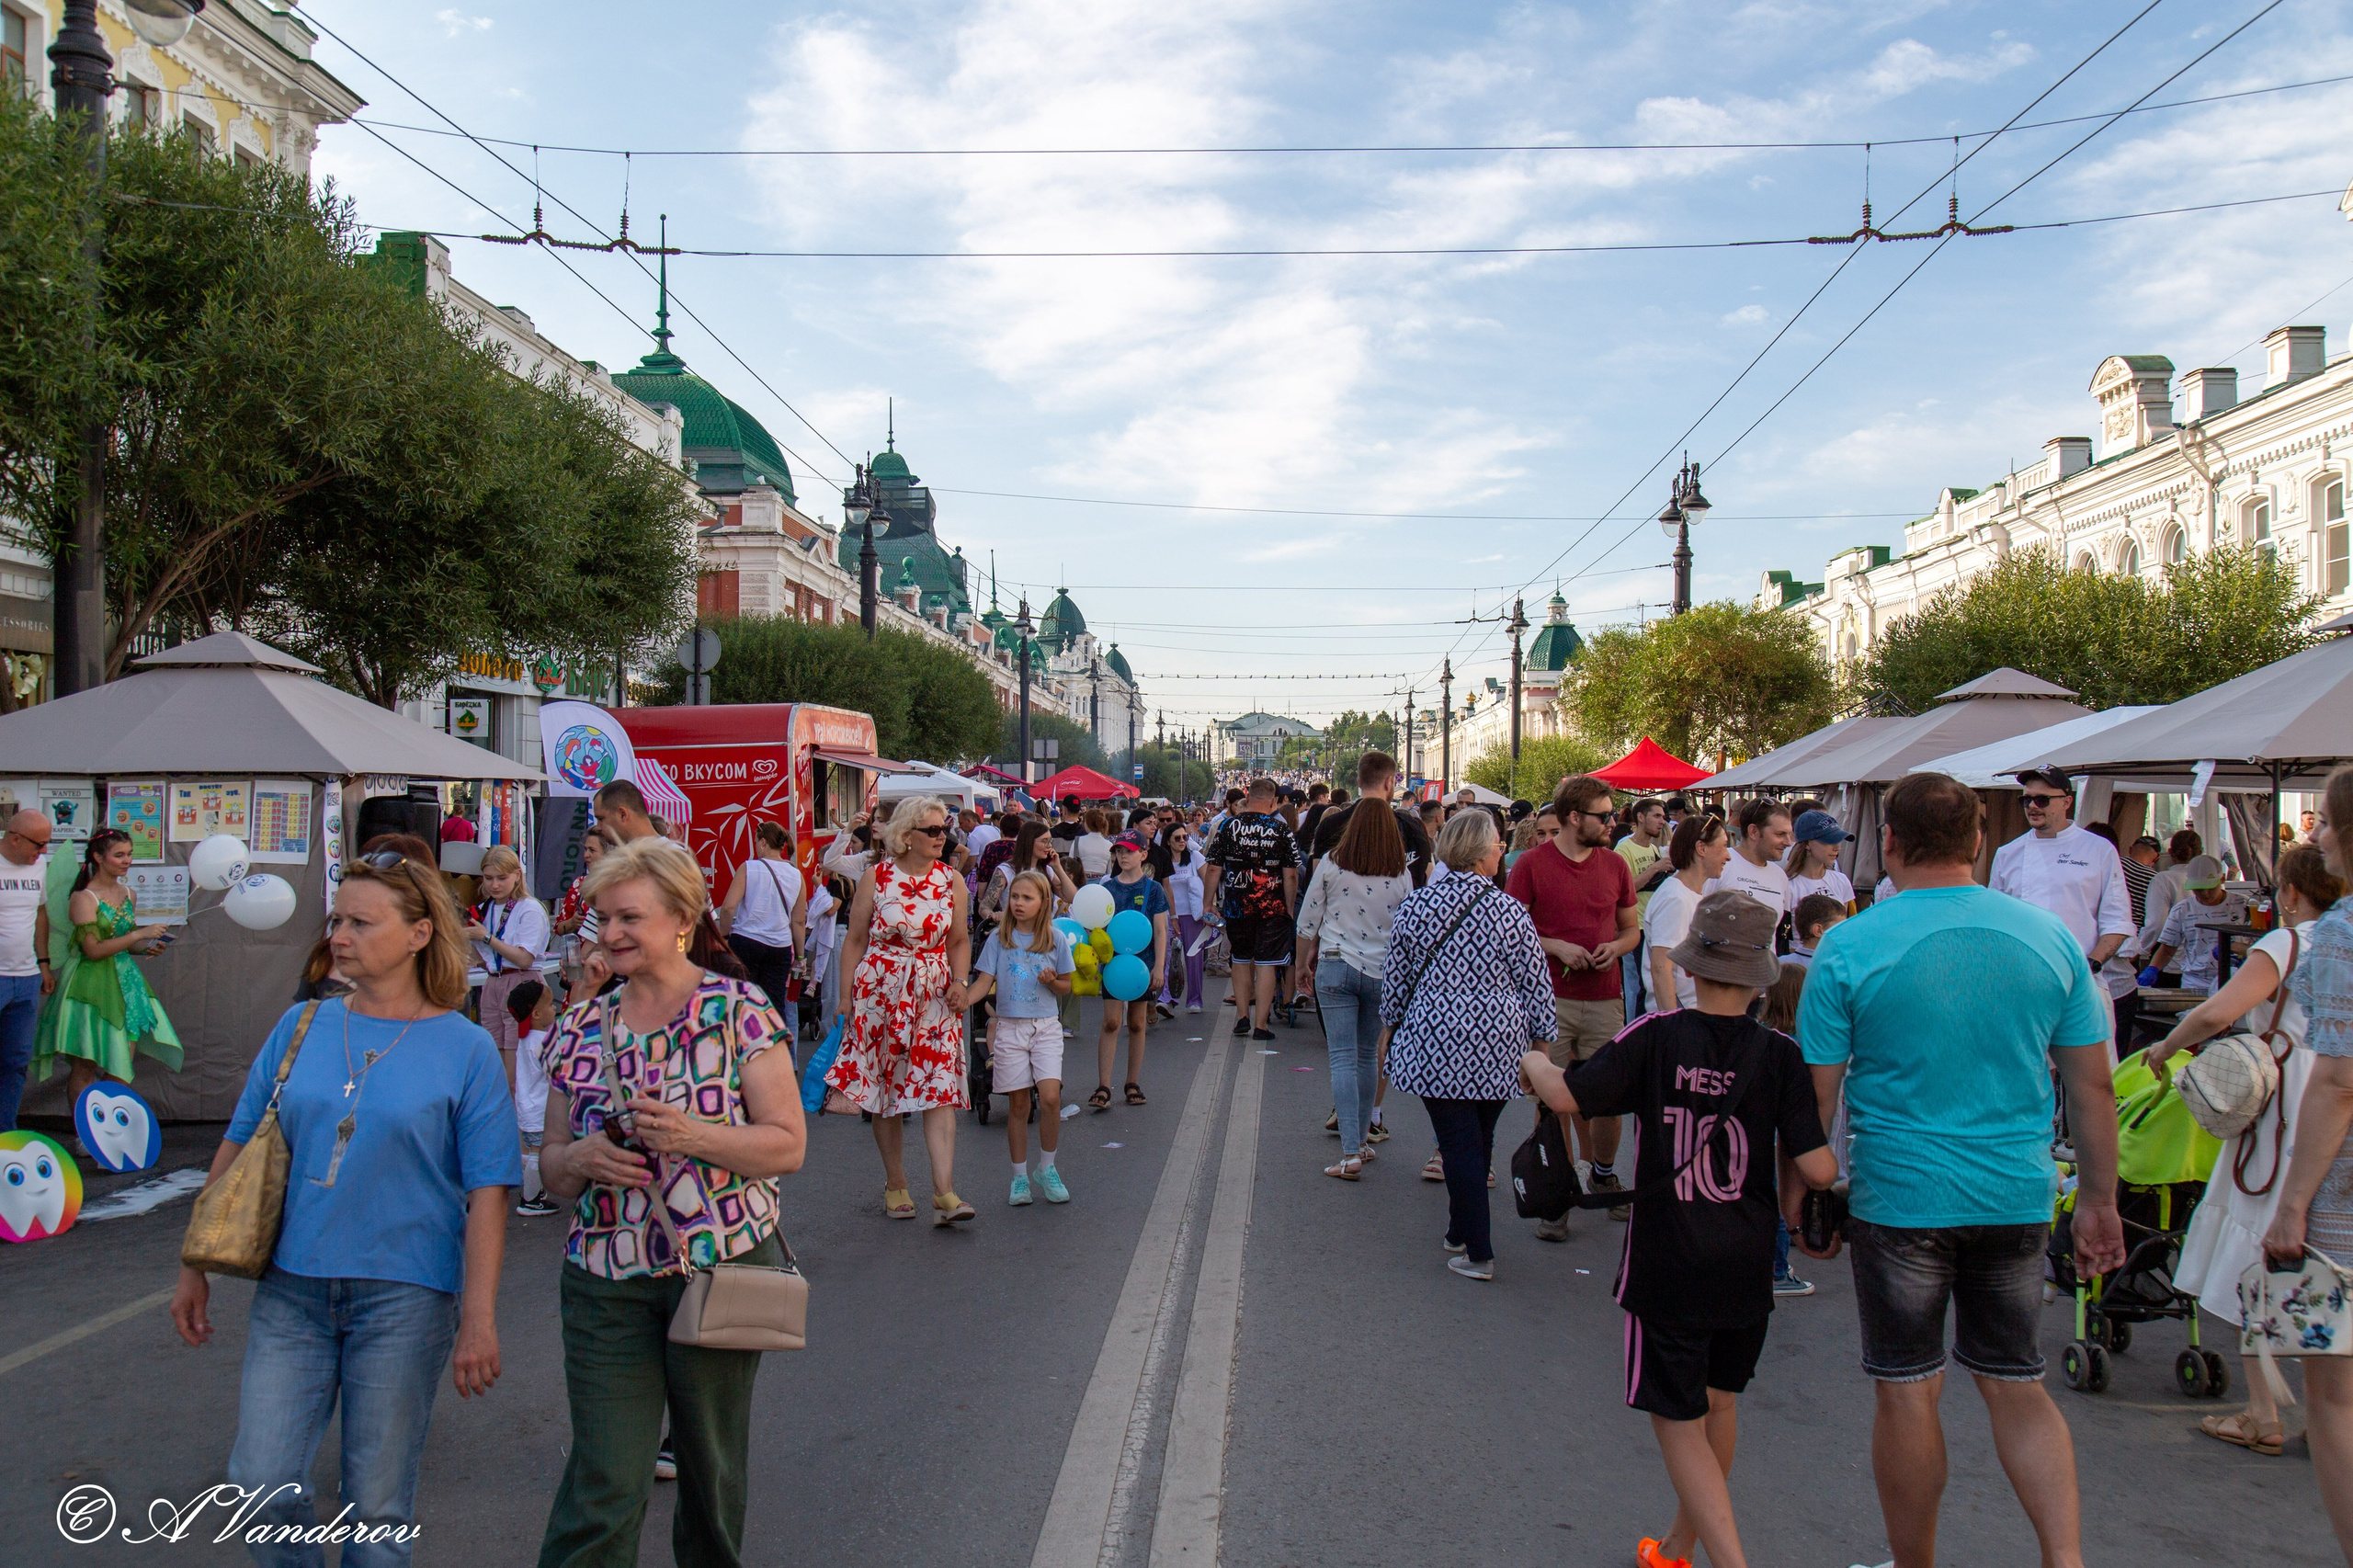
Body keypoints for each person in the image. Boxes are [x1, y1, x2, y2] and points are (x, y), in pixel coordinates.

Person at [1795, 771, 2125, 1568]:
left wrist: (1802, 1198)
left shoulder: (1847, 944)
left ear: (1893, 844)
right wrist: (2101, 1203)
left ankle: (1915, 1562)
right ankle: (2065, 1560)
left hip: (1901, 1195)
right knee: (2017, 1382)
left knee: (1908, 1390)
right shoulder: (2048, 940)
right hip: (2014, 1190)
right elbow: (2092, 1083)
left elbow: (1816, 1098)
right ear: (1979, 841)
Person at [172, 850, 517, 1563]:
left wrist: (479, 1318)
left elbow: (490, 1191)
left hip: (407, 1296)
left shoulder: (467, 1048)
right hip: (291, 1289)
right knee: (259, 1482)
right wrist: (194, 1259)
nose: (340, 935)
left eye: (362, 922)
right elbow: (239, 1142)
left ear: (421, 933)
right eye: (337, 919)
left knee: (377, 1504)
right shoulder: (303, 1024)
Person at [1521, 892, 1834, 1568]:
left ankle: (1729, 1561)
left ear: (1693, 966)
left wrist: (1536, 1062)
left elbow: (1568, 1095)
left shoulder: (1657, 1038)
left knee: (1678, 1418)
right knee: (1719, 1403)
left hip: (1670, 1257)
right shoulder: (1780, 1056)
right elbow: (1817, 1163)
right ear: (1760, 976)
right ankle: (1677, 1546)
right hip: (1746, 1259)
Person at [532, 835, 804, 1568]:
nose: (610, 934)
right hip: (604, 1276)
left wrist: (694, 1135)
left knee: (710, 1474)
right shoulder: (581, 1028)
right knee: (606, 1477)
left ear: (681, 918)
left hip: (721, 1269)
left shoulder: (737, 1011)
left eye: (629, 918)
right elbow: (553, 1170)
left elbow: (787, 1145)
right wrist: (579, 1159)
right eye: (603, 919)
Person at [2148, 842, 2341, 1459]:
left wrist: (2164, 1046)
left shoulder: (2288, 944)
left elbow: (2217, 1013)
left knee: (2259, 1248)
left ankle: (2264, 1410)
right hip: (2337, 1100)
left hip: (2285, 1110)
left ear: (2289, 892)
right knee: (2328, 1255)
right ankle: (2328, 1409)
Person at [1381, 810, 1555, 1280]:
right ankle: (1464, 1232)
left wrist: (1390, 1030)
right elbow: (1535, 984)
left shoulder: (1416, 907)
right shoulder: (1509, 910)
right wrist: (1541, 1045)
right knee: (1478, 1138)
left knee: (1459, 1143)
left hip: (1437, 1040)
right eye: (1498, 844)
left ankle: (1477, 1248)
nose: (1502, 850)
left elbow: (1395, 983)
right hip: (1500, 1041)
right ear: (1479, 852)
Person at [2258, 768, 2353, 1557]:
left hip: (2345, 1192)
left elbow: (2340, 1080)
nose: (2313, 834)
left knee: (2340, 1395)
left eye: (2322, 822)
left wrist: (2292, 1205)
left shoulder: (2344, 932)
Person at [826, 796, 976, 1224]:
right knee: (885, 1089)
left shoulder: (952, 881)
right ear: (906, 835)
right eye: (932, 831)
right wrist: (844, 997)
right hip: (880, 989)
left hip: (934, 991)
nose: (941, 837)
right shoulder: (878, 876)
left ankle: (944, 1192)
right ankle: (896, 1183)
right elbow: (854, 939)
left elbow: (959, 939)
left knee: (939, 1087)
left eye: (944, 830)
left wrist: (960, 982)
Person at [1508, 775, 1641, 1235]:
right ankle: (1557, 1191)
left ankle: (1602, 1173)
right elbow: (1514, 931)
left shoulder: (1615, 865)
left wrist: (1617, 949)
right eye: (1604, 816)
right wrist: (1557, 947)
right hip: (1550, 1001)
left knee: (1608, 1099)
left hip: (1605, 998)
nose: (1612, 822)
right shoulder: (1531, 864)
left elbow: (1631, 930)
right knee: (1553, 1101)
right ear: (1573, 818)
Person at [1296, 789, 1413, 1178]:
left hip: (1336, 964)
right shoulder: (1401, 873)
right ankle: (1362, 1140)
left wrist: (1301, 963)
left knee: (1343, 1058)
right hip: (1382, 972)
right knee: (1367, 1057)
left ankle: (1349, 1153)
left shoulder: (1331, 862)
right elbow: (1408, 927)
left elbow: (1309, 918)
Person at [34, 826, 180, 1108]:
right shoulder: (83, 898)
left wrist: (147, 946)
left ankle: (107, 1126)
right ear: (99, 858)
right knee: (85, 1066)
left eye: (130, 854)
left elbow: (123, 944)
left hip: (126, 985)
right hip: (89, 987)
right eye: (119, 855)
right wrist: (138, 934)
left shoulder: (128, 893)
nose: (127, 860)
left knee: (123, 1062)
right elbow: (94, 950)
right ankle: (84, 1132)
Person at [1992, 767, 2137, 1049]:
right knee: (2030, 1079)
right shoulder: (2007, 853)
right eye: (2027, 800)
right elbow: (1996, 922)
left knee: (2089, 1085)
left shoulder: (2098, 849)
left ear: (2066, 802)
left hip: (2082, 984)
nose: (2033, 806)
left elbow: (2118, 922)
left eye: (2042, 800)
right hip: (2023, 988)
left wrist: (2089, 965)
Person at [968, 869, 1076, 1205]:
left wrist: (1050, 982)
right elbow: (983, 983)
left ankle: (1048, 1167)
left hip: (1045, 1025)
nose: (1018, 903)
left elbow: (1067, 985)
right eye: (1014, 896)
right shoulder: (999, 939)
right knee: (1018, 1103)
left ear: (1043, 903)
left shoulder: (1055, 938)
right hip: (1010, 1027)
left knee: (1050, 1098)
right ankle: (1019, 1178)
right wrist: (962, 999)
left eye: (1027, 898)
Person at [1202, 777, 1303, 1042]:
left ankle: (1242, 1017)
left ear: (1247, 799)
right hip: (1272, 907)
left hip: (1237, 905)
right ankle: (1261, 1024)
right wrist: (1289, 908)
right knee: (1267, 963)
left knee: (1240, 958)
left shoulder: (1227, 826)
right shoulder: (1282, 831)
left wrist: (1208, 903)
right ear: (1272, 802)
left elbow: (1214, 868)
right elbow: (1291, 875)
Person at [1090, 834, 1170, 1109]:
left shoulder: (1153, 889)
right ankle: (1103, 1085)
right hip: (1114, 965)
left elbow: (1160, 931)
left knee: (1137, 1022)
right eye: (1119, 851)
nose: (1124, 856)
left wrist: (1160, 966)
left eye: (1130, 851)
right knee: (1111, 1022)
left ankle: (1132, 1081)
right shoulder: (1107, 888)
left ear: (1143, 855)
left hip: (1142, 966)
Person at [465, 846, 549, 1087]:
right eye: (488, 878)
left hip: (522, 981)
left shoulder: (529, 908)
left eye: (502, 878)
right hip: (493, 982)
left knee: (517, 1063)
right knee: (495, 1061)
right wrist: (466, 935)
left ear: (517, 875)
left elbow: (524, 959)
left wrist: (486, 937)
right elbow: (483, 959)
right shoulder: (486, 908)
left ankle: (520, 1118)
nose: (494, 885)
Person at [716, 823, 809, 1035]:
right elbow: (798, 921)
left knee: (741, 1001)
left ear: (764, 842)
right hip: (780, 947)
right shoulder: (796, 875)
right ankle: (775, 1056)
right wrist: (801, 956)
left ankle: (740, 1053)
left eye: (757, 841)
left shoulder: (749, 867)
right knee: (774, 1005)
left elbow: (728, 908)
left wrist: (724, 937)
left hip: (746, 941)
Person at [0, 809, 55, 1131]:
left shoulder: (39, 867)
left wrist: (43, 962)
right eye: (38, 844)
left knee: (16, 1062)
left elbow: (40, 914)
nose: (43, 851)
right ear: (14, 838)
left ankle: (5, 1134)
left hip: (26, 976)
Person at [1646, 816, 1733, 1015]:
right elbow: (1661, 969)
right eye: (1724, 846)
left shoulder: (1689, 894)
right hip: (1683, 1018)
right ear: (1701, 848)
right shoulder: (1676, 898)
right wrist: (1673, 1024)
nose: (1728, 856)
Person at [1312, 751, 1433, 887]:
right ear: (1389, 783)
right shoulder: (1411, 827)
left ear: (1359, 782)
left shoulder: (1330, 825)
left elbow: (1317, 877)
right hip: (1401, 906)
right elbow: (1427, 874)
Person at [2140, 855, 2248, 996]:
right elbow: (2167, 949)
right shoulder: (2182, 909)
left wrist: (2240, 952)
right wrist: (2153, 969)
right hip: (2195, 984)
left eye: (2210, 888)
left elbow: (2260, 941)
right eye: (2198, 889)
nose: (2205, 894)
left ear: (2221, 879)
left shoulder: (2244, 906)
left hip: (2235, 982)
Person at [506, 979, 562, 1216]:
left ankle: (534, 1194)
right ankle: (529, 1199)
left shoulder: (525, 1040)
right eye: (551, 1006)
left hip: (528, 1108)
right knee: (537, 1155)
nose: (555, 1009)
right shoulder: (541, 1042)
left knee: (533, 1152)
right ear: (537, 1014)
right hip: (540, 1109)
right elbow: (556, 1071)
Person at [1712, 800, 1792, 916]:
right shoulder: (1719, 865)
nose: (1788, 842)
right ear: (1753, 831)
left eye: (1789, 834)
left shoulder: (1780, 876)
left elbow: (1782, 931)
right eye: (1780, 834)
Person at [1164, 823, 1211, 1013]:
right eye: (1177, 838)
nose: (1182, 841)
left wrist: (1210, 907)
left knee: (1194, 959)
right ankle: (1167, 998)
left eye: (1185, 837)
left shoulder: (1195, 857)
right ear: (1168, 841)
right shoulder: (1163, 861)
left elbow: (1209, 881)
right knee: (1168, 959)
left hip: (1192, 915)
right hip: (1168, 916)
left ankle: (1194, 1000)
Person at [1784, 810, 1855, 914]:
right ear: (1807, 844)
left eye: (1838, 840)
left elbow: (1843, 926)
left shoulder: (1841, 881)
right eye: (1829, 841)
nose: (1837, 848)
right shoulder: (1788, 886)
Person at [1785, 893, 1846, 968]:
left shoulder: (1779, 964)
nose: (1845, 933)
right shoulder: (1840, 969)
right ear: (1818, 930)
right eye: (1839, 928)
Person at [2120, 834, 2161, 928]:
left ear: (2130, 850)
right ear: (2156, 858)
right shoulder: (2155, 878)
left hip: (2107, 930)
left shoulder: (2115, 863)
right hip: (2135, 934)